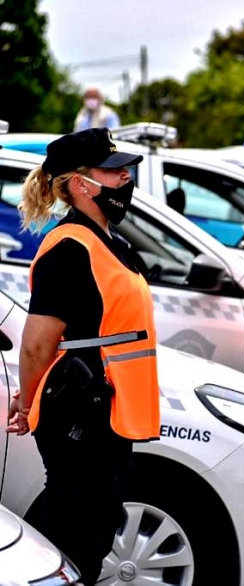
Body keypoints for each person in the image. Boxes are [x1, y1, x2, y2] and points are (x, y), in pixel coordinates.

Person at [6, 128, 160, 584]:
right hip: (80, 409)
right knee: (75, 534)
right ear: (80, 184)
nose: (125, 179)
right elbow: (37, 343)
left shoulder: (107, 240)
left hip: (108, 411)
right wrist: (26, 401)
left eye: (124, 170)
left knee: (94, 529)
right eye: (112, 172)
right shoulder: (69, 248)